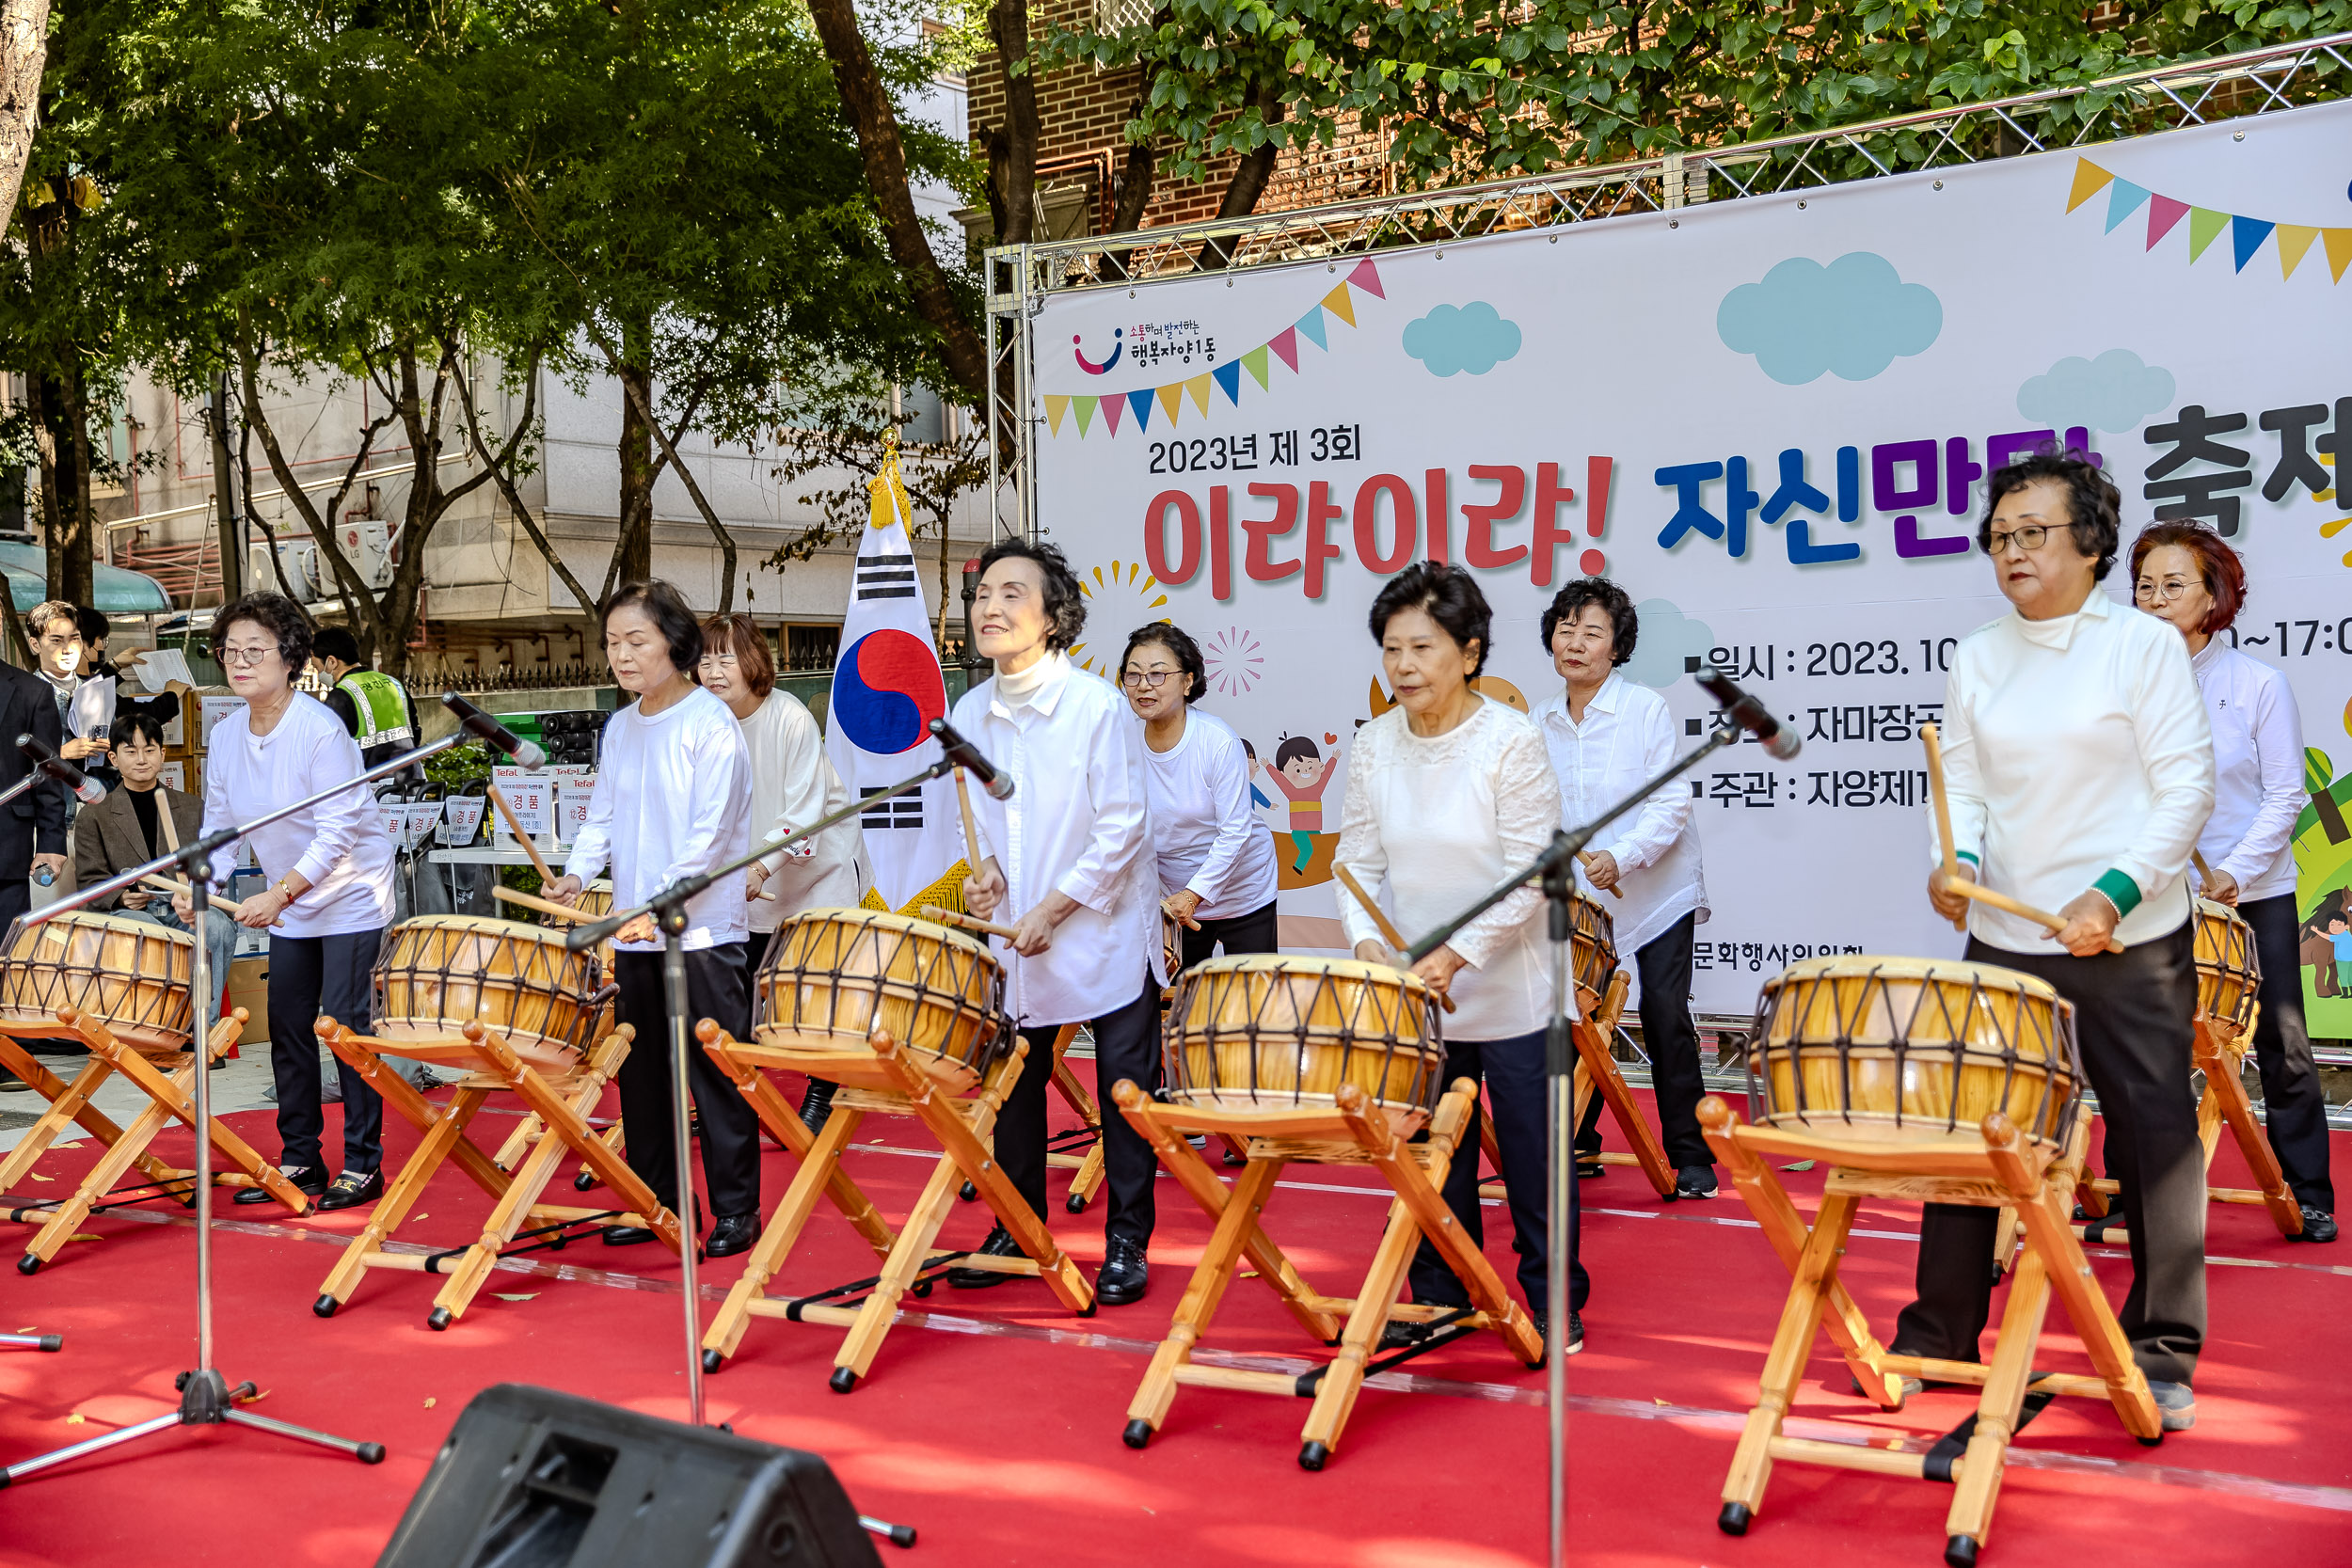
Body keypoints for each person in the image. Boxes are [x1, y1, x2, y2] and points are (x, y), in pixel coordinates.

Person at [1907, 451, 2213, 1432]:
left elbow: (2184, 791)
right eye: (1999, 534)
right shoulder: (1979, 654)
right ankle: (1939, 1331)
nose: (2010, 550)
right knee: (1972, 1138)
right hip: (2007, 930)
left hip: (2124, 934)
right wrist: (1957, 861)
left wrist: (2113, 892)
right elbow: (1961, 786)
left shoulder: (2142, 645)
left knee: (2155, 1134)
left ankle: (2161, 1346)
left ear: (2090, 541)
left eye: (2032, 531)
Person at [1333, 562, 1578, 1352]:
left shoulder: (1510, 741)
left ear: (1470, 653)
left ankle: (1551, 1294)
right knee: (1434, 1158)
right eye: (1391, 649)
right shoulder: (1373, 746)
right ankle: (1444, 1291)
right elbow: (1355, 864)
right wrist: (1371, 943)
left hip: (1516, 989)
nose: (1404, 666)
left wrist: (1460, 954)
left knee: (1538, 1162)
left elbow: (1533, 872)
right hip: (1416, 992)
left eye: (1423, 648)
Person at [946, 538, 1164, 1306]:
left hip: (1099, 927)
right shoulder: (968, 712)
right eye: (982, 595)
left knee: (1121, 1092)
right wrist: (988, 883)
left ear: (1051, 616)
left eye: (1012, 594)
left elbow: (1123, 827)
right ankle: (1016, 1224)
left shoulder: (1096, 707)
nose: (991, 608)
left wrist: (1055, 905)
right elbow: (975, 823)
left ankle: (1128, 1239)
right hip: (1018, 932)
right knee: (1014, 1083)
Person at [2131, 522, 2335, 1244]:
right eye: (2144, 585)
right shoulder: (2124, 687)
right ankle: (2141, 1196)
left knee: (2283, 1046)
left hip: (2254, 895)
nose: (2154, 599)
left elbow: (2285, 796)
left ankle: (2309, 1192)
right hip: (2155, 899)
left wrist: (2233, 876)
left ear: (2214, 596)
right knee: (2146, 1052)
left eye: (2172, 584)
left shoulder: (2257, 685)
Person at [547, 582, 761, 1257]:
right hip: (635, 929)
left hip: (700, 931)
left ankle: (736, 1208)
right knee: (642, 1081)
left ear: (674, 641)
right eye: (612, 642)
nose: (621, 654)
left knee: (714, 1075)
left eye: (636, 640)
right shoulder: (621, 725)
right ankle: (658, 1202)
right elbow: (602, 818)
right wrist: (578, 875)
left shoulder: (711, 724)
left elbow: (708, 838)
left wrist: (653, 907)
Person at [196, 593, 399, 1212]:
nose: (239, 660)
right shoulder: (227, 734)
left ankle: (364, 1164)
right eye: (229, 650)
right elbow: (222, 826)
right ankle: (301, 1157)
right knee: (286, 1024)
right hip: (290, 901)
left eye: (254, 649)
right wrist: (207, 885)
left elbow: (338, 833)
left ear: (290, 659)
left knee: (346, 1027)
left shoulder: (320, 729)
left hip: (351, 893)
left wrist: (279, 891)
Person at [1534, 578, 1716, 1200]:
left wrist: (1623, 854)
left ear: (1617, 646)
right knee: (1573, 1013)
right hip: (1583, 900)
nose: (1575, 642)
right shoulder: (1538, 722)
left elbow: (1670, 803)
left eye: (1591, 631)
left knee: (1666, 1015)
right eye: (1565, 628)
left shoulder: (1646, 710)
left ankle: (1690, 1155)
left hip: (1656, 885)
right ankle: (1580, 1137)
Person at [696, 612, 868, 1132]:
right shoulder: (705, 724)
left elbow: (804, 812)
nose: (714, 670)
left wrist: (759, 869)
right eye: (705, 658)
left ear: (753, 661)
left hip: (817, 872)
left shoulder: (788, 716)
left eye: (726, 657)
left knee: (815, 988)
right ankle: (733, 1096)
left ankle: (821, 1095)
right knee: (737, 986)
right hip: (746, 882)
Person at [1119, 622, 1279, 966]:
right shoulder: (1122, 744)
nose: (1144, 685)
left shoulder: (1216, 741)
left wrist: (1195, 895)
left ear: (1188, 681)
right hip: (1173, 899)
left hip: (1242, 890)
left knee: (1254, 1003)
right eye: (1133, 675)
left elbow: (1236, 832)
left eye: (1158, 674)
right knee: (1180, 1006)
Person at [74, 712, 239, 1023]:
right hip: (130, 912)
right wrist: (121, 897)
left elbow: (212, 864)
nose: (141, 759)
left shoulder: (192, 808)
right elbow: (89, 881)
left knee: (215, 924)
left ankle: (204, 1029)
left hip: (182, 908)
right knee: (145, 931)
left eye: (149, 750)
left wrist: (195, 893)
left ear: (162, 754)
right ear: (113, 757)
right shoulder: (95, 816)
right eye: (130, 751)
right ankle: (157, 1030)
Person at [0, 649, 68, 1094]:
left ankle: (4, 1054)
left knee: (4, 955)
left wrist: (52, 844)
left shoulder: (31, 690)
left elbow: (49, 772)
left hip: (6, 842)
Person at [311, 626, 421, 775]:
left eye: (317, 668)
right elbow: (415, 731)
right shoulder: (393, 683)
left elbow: (331, 751)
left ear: (331, 662)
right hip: (411, 780)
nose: (318, 674)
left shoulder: (341, 695)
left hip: (372, 788)